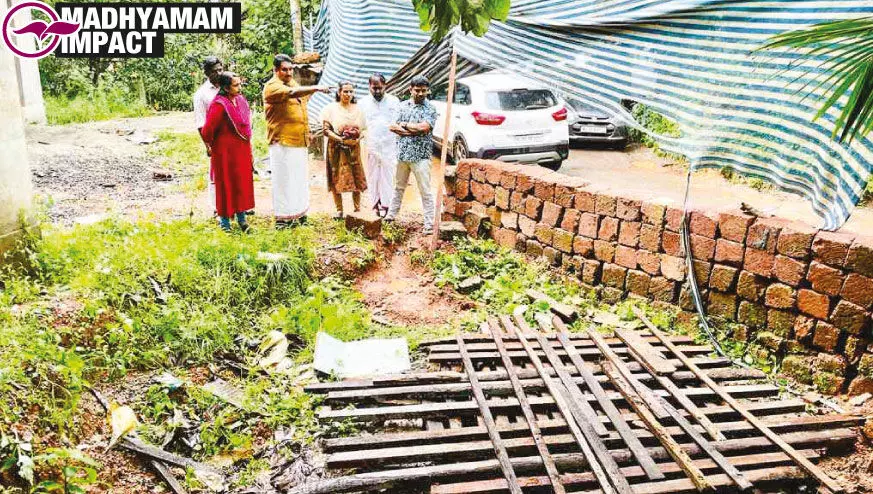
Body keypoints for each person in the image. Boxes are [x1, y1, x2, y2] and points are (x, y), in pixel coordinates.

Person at [262, 54, 330, 227]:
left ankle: (299, 214)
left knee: (299, 179)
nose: (288, 72)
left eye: (291, 69)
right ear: (275, 70)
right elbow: (292, 94)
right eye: (284, 69)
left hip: (299, 140)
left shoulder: (292, 82)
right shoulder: (272, 87)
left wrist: (307, 131)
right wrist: (316, 88)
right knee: (283, 180)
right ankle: (283, 218)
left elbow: (301, 104)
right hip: (282, 140)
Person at [200, 72, 255, 232]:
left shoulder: (241, 101)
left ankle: (242, 220)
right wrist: (212, 145)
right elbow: (207, 131)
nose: (239, 88)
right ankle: (225, 223)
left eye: (239, 84)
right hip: (224, 153)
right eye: (235, 85)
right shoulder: (219, 105)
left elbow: (246, 126)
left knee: (241, 183)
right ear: (225, 87)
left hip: (242, 150)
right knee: (226, 184)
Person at [386, 75, 437, 234]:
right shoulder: (402, 106)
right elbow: (393, 127)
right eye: (418, 90)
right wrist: (410, 131)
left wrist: (406, 126)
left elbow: (424, 128)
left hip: (421, 156)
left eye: (424, 91)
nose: (421, 94)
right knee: (398, 188)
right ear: (410, 89)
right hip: (402, 154)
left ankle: (429, 224)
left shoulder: (430, 108)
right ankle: (390, 216)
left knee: (425, 190)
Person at [321, 82, 368, 219]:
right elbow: (326, 130)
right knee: (337, 176)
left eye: (350, 92)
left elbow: (364, 129)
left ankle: (357, 209)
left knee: (356, 176)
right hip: (336, 148)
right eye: (345, 91)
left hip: (354, 148)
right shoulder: (330, 109)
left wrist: (357, 140)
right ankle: (339, 210)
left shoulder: (358, 109)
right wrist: (341, 140)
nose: (348, 95)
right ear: (339, 92)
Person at [359, 73, 400, 218]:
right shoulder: (362, 103)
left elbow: (397, 122)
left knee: (388, 175)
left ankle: (386, 205)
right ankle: (375, 204)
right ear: (369, 87)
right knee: (373, 175)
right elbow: (361, 125)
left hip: (390, 145)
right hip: (371, 145)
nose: (377, 91)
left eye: (380, 88)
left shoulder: (394, 101)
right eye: (374, 88)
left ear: (385, 86)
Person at [193, 56, 223, 213]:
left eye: (220, 69)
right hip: (215, 139)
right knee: (216, 174)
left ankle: (238, 206)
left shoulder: (227, 86)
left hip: (231, 138)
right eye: (214, 71)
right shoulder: (201, 94)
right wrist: (207, 145)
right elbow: (200, 122)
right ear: (207, 73)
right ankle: (217, 208)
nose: (219, 73)